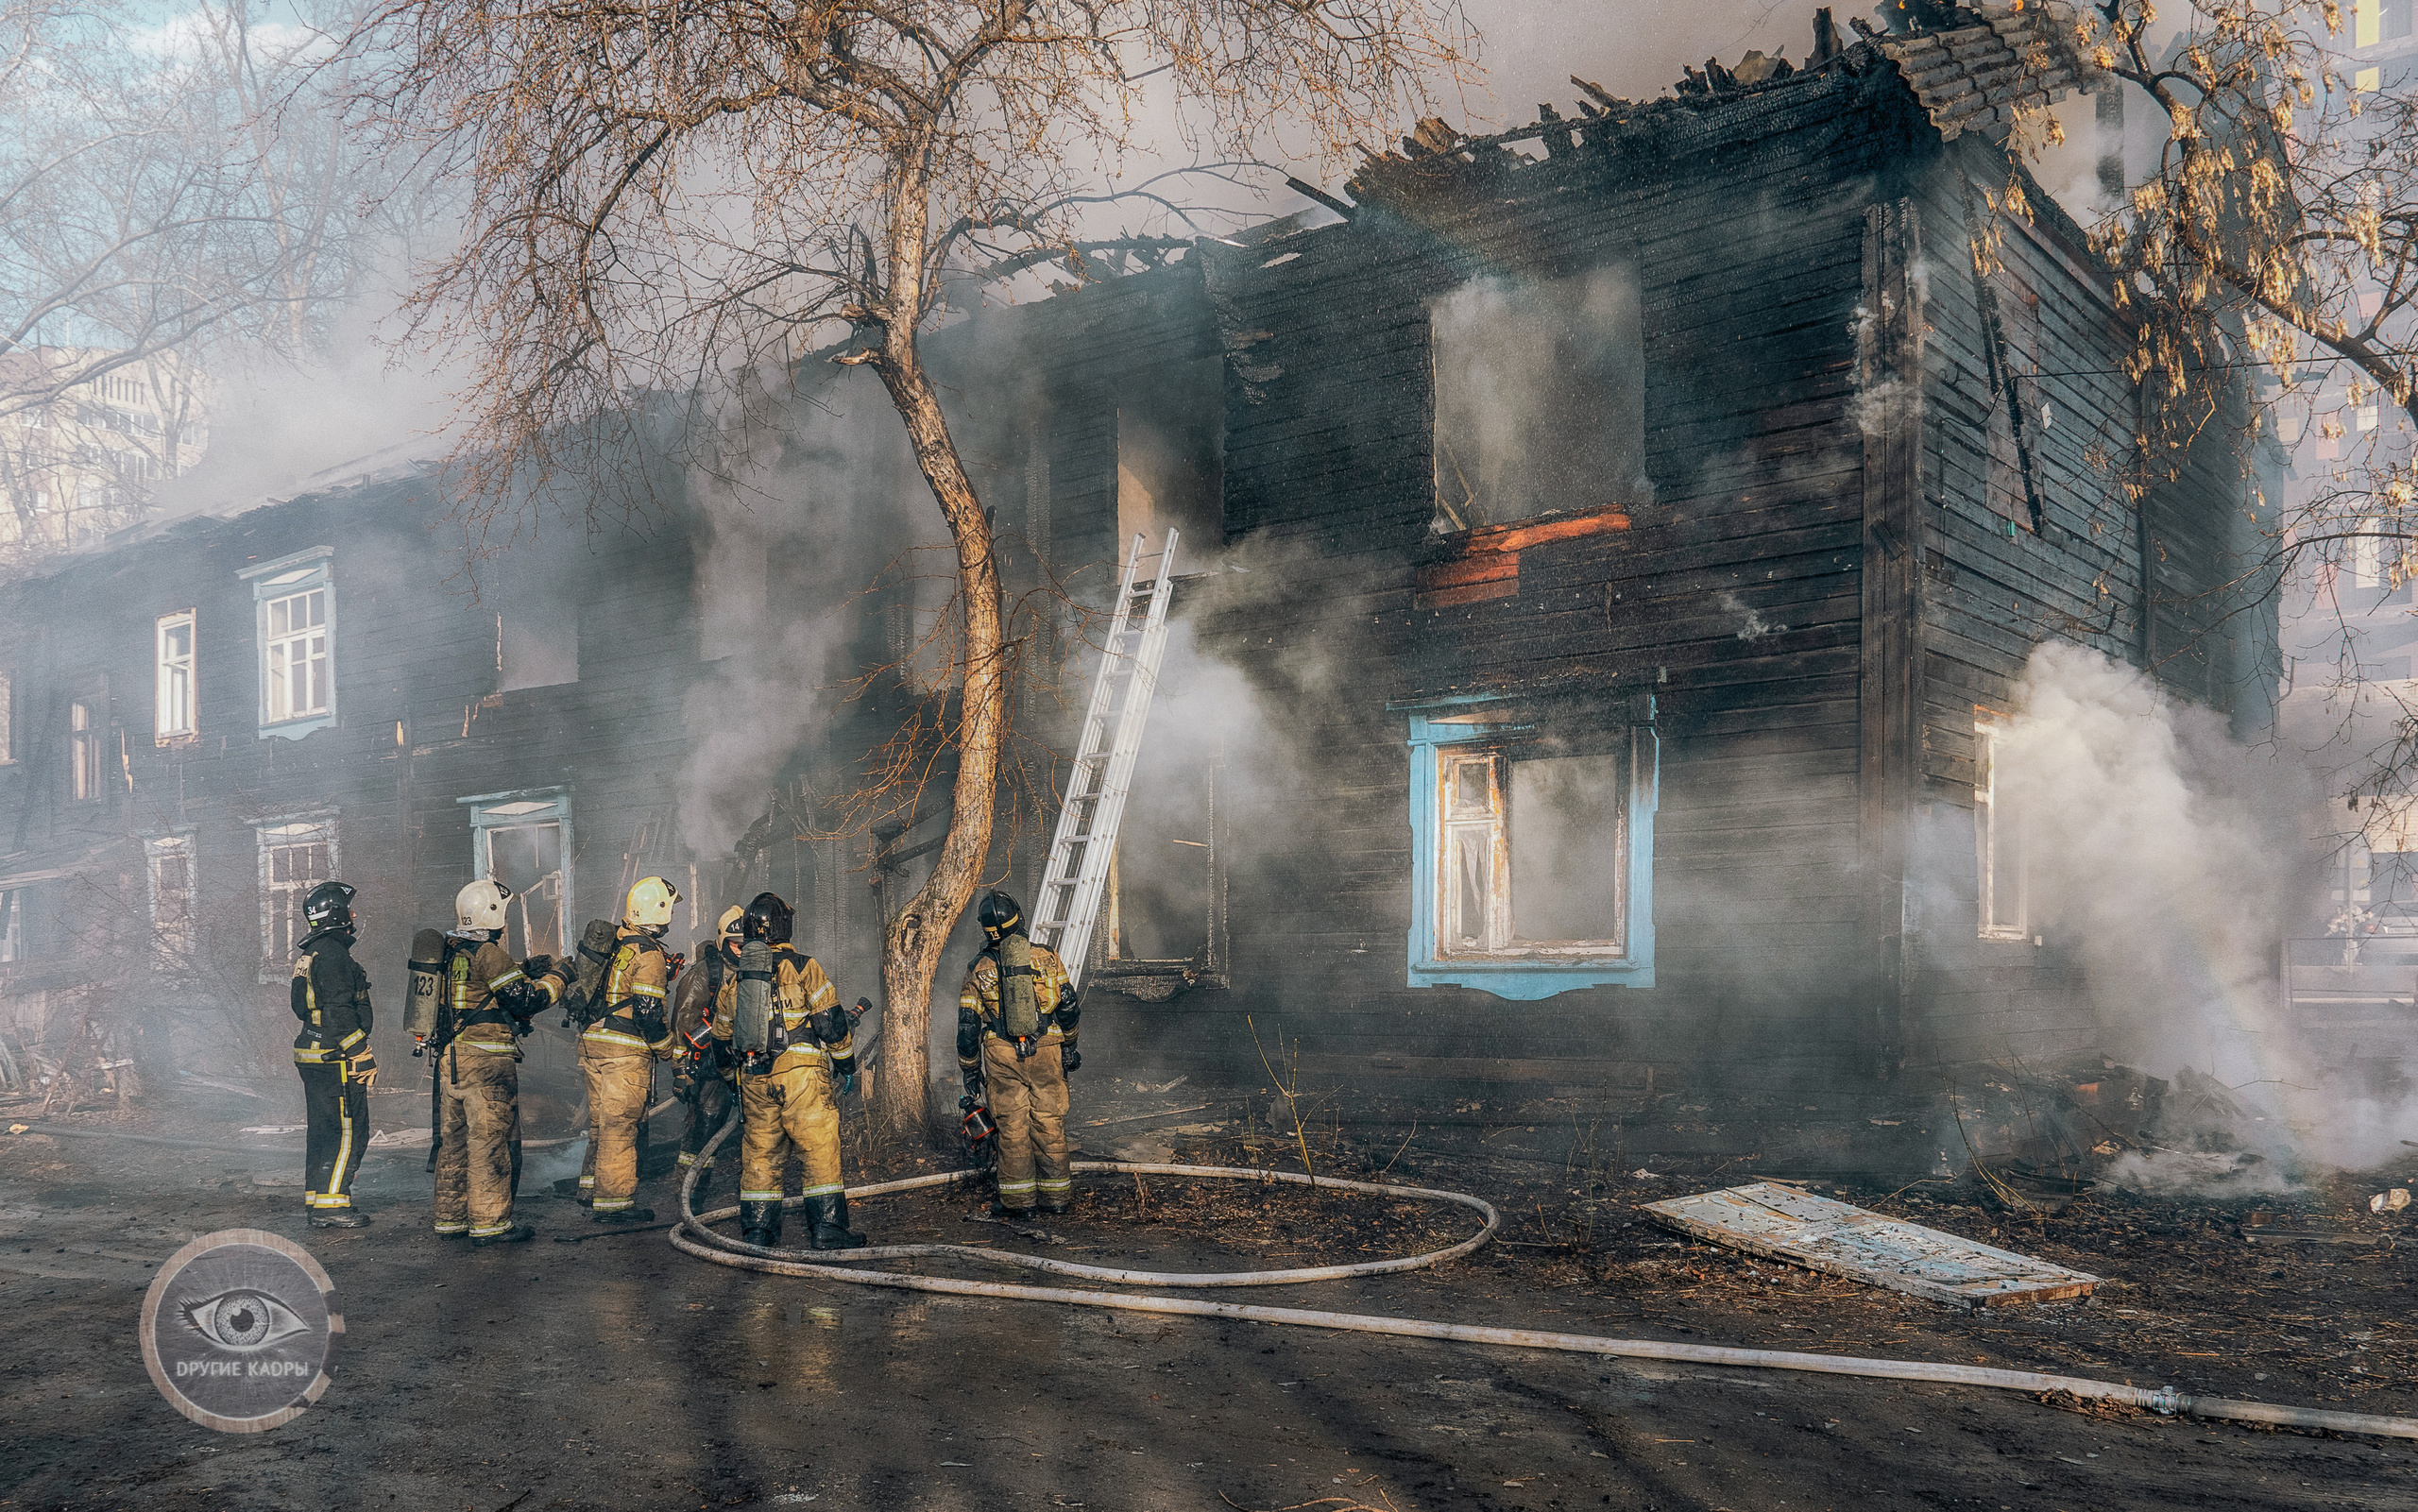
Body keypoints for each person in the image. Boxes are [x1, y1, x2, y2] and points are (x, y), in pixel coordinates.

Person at [709, 891, 863, 1249]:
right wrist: (846, 1064)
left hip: (753, 1077)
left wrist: (732, 1081)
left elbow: (720, 1040)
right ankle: (828, 1229)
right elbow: (830, 1024)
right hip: (801, 1075)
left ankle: (758, 1233)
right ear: (783, 927)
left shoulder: (735, 980)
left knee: (760, 1154)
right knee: (818, 1148)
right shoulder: (805, 967)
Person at [427, 878, 553, 1246]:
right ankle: (490, 1223)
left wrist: (524, 967)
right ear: (491, 913)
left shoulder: (450, 953)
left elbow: (476, 987)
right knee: (489, 1143)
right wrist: (559, 979)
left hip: (452, 1060)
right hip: (486, 1064)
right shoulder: (488, 953)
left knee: (454, 1143)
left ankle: (450, 1219)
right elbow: (525, 1000)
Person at [958, 890, 1081, 1219]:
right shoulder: (1046, 956)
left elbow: (968, 1025)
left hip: (1002, 1056)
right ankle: (1056, 1199)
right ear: (1019, 919)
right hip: (1047, 1049)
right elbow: (1068, 1005)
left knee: (1012, 1128)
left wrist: (970, 1070)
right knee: (1049, 1123)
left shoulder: (978, 967)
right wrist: (1070, 1045)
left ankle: (1019, 1203)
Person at [581, 875, 682, 1224]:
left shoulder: (617, 942)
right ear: (660, 910)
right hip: (623, 1052)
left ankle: (590, 1189)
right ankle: (613, 1204)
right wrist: (668, 1051)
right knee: (620, 1128)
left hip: (593, 1042)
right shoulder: (649, 954)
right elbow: (649, 1014)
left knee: (601, 1123)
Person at [292, 880, 376, 1229]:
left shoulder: (312, 953)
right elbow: (339, 1011)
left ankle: (318, 1199)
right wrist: (360, 1051)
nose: (353, 916)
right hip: (334, 1056)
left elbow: (304, 1007)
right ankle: (332, 1206)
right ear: (338, 913)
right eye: (349, 910)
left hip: (313, 1051)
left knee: (323, 1132)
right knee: (348, 1132)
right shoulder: (334, 956)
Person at [671, 906, 743, 1196]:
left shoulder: (757, 970)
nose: (742, 950)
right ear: (723, 941)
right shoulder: (704, 975)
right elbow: (683, 1023)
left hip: (748, 1060)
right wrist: (682, 1072)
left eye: (747, 944)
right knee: (706, 1124)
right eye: (736, 944)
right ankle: (690, 1190)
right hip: (712, 1063)